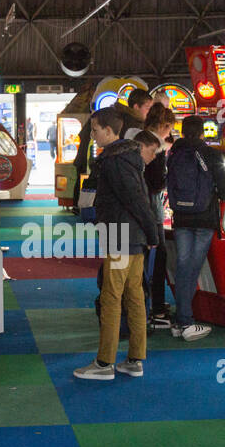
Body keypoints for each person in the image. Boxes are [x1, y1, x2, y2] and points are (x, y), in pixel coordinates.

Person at [75, 107, 159, 381]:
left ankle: (104, 363)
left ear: (110, 131)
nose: (93, 135)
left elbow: (136, 199)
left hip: (120, 237)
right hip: (131, 237)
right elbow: (139, 199)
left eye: (96, 130)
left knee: (111, 298)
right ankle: (135, 359)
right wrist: (150, 234)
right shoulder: (127, 158)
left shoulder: (114, 161)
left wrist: (152, 234)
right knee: (134, 296)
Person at [168, 115, 225, 341]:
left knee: (184, 267)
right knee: (191, 269)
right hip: (204, 218)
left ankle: (180, 320)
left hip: (181, 218)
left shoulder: (174, 153)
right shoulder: (211, 153)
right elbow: (224, 184)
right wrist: (224, 196)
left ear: (182, 131)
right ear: (203, 132)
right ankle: (185, 321)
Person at [136, 103, 174, 328]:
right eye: (168, 129)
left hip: (144, 209)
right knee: (158, 259)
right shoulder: (156, 146)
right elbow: (157, 182)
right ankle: (156, 308)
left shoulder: (138, 137)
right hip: (151, 210)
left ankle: (148, 306)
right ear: (164, 125)